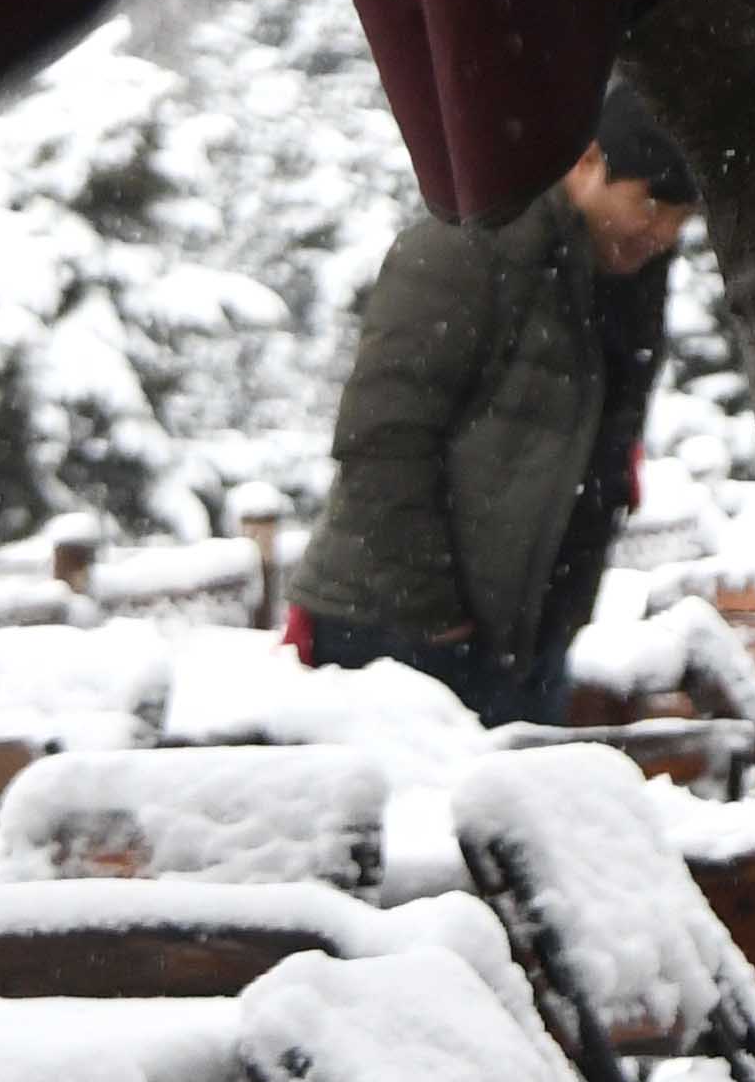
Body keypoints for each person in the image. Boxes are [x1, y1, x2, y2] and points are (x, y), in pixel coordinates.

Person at [291, 87, 693, 723]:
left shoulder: (627, 283)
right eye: (650, 203)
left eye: (681, 220)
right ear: (588, 164)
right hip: (391, 630)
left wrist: (556, 620)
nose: (663, 233)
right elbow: (383, 436)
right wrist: (436, 616)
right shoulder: (470, 242)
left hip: (522, 644)